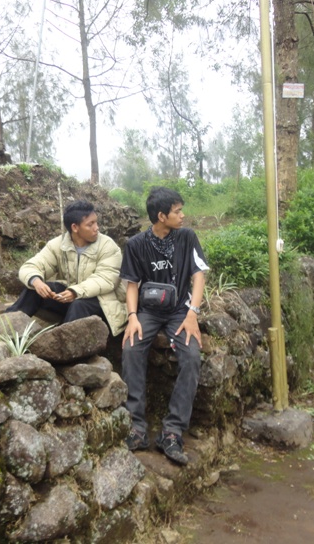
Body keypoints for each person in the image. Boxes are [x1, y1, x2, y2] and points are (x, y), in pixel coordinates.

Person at [120, 187, 209, 465]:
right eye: (177, 211)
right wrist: (133, 316)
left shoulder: (187, 237)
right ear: (161, 216)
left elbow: (198, 275)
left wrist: (192, 312)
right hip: (148, 311)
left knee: (191, 356)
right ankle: (137, 427)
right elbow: (132, 284)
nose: (182, 215)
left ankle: (172, 431)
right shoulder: (136, 244)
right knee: (131, 347)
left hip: (179, 312)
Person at [4, 200, 127, 336]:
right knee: (33, 289)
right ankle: (5, 328)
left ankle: (61, 345)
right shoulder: (58, 244)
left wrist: (75, 291)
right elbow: (30, 266)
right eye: (90, 224)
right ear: (75, 227)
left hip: (102, 303)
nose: (96, 227)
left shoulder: (108, 246)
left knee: (79, 305)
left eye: (96, 222)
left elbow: (107, 279)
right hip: (70, 296)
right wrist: (36, 281)